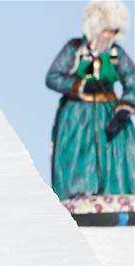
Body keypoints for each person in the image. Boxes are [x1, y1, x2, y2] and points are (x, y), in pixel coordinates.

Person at [46, 0, 134, 199]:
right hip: (77, 115)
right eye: (105, 31)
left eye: (113, 31)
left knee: (117, 154)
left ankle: (119, 195)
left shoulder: (116, 54)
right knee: (77, 152)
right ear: (95, 28)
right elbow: (53, 77)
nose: (109, 36)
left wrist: (124, 109)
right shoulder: (74, 49)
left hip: (109, 113)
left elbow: (132, 81)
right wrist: (80, 85)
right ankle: (76, 196)